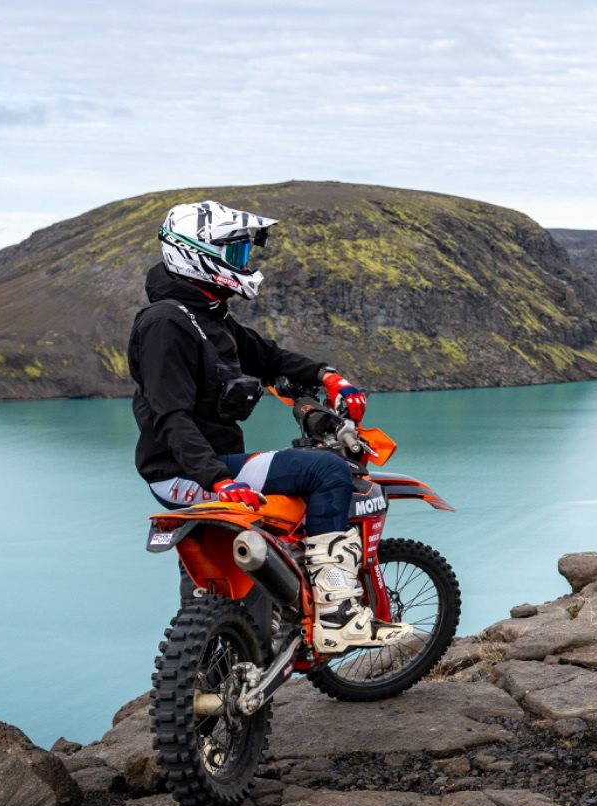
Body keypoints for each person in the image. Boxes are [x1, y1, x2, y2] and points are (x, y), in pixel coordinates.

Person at [129, 200, 407, 654]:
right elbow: (169, 417)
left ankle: (249, 633)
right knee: (327, 472)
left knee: (274, 513)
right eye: (236, 253)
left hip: (198, 466)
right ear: (198, 253)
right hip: (186, 470)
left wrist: (326, 376)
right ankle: (337, 612)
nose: (245, 263)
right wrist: (218, 480)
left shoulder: (203, 315)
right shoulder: (167, 324)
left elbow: (269, 358)